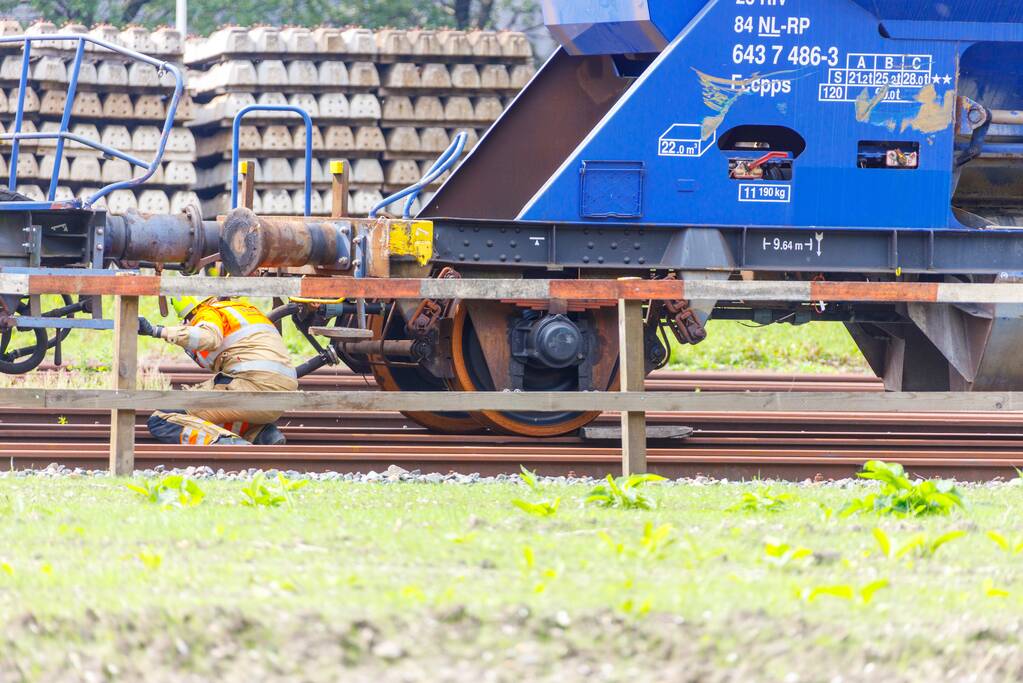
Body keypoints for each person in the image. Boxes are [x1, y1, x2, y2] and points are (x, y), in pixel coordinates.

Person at [138, 296, 297, 446]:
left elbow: (208, 338)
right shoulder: (246, 311)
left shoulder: (208, 312)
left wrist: (157, 331)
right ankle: (259, 433)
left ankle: (225, 443)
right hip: (279, 398)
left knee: (162, 418)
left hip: (251, 385)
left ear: (191, 313)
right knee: (213, 417)